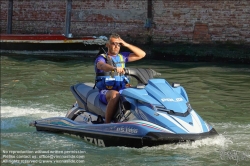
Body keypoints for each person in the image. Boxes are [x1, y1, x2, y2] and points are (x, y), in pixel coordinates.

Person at [94, 33, 146, 123]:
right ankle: (107, 123)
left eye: (119, 44)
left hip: (122, 88)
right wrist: (114, 68)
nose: (116, 46)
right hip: (106, 91)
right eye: (114, 43)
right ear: (108, 45)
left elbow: (142, 54)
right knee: (115, 95)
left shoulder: (123, 57)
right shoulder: (102, 58)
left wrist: (126, 44)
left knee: (139, 93)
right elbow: (101, 66)